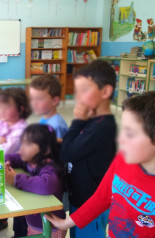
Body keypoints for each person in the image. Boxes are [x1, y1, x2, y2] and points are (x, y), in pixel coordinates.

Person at [46, 91, 155, 237]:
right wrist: (66, 222)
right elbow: (101, 198)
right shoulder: (122, 160)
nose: (120, 139)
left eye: (130, 134)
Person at [60, 60, 117, 238]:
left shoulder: (101, 127)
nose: (78, 97)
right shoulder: (93, 121)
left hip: (91, 204)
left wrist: (77, 119)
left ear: (106, 92)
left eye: (84, 90)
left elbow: (67, 153)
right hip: (81, 199)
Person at [0, 87, 31, 236]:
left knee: (20, 207)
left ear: (20, 109)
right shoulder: (2, 123)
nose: (1, 110)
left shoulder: (22, 128)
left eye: (7, 107)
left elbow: (5, 150)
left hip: (18, 172)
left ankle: (19, 233)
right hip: (2, 168)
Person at [5, 124, 67, 238]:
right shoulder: (31, 159)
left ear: (46, 149)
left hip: (51, 229)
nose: (22, 148)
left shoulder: (50, 167)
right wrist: (5, 162)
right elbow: (13, 157)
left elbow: (46, 185)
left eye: (28, 144)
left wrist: (15, 179)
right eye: (22, 142)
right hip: (35, 224)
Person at [29, 75, 68, 142]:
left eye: (39, 99)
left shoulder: (57, 125)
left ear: (55, 101)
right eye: (32, 98)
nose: (34, 103)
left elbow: (56, 150)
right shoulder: (45, 118)